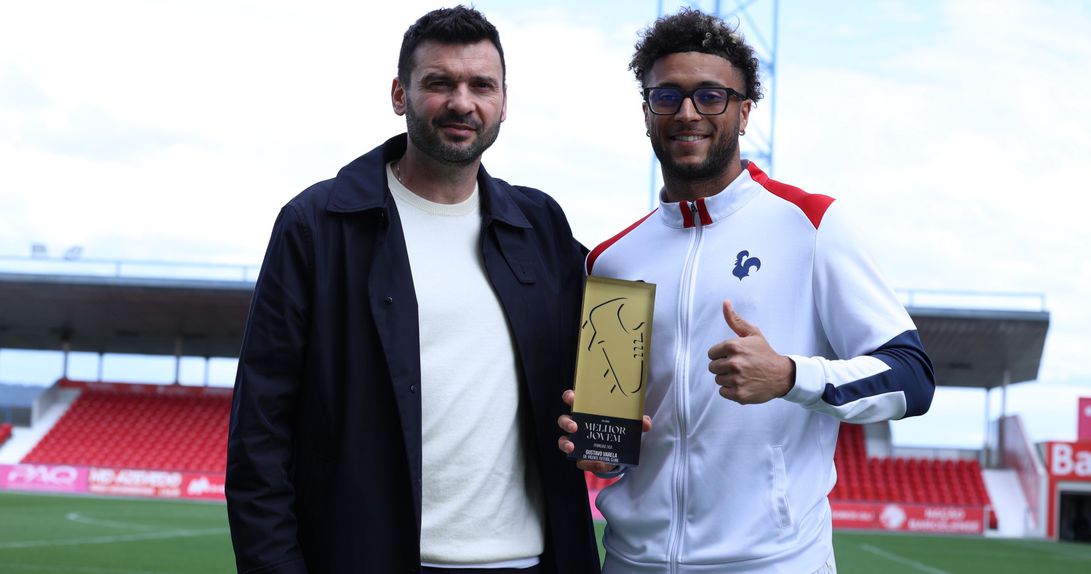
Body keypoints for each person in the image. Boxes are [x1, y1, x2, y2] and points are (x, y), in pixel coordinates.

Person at [558, 8, 935, 574]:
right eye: (668, 96)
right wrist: (595, 448)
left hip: (773, 562)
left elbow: (912, 376)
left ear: (744, 109)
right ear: (646, 112)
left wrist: (789, 375)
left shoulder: (811, 225)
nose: (688, 112)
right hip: (632, 561)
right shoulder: (612, 260)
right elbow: (610, 451)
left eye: (711, 96)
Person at [226, 6, 599, 574]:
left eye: (481, 85)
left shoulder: (541, 226)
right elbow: (260, 431)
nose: (461, 102)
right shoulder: (318, 224)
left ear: (503, 102)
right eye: (439, 83)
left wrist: (609, 427)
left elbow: (599, 359)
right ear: (400, 94)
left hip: (528, 561)